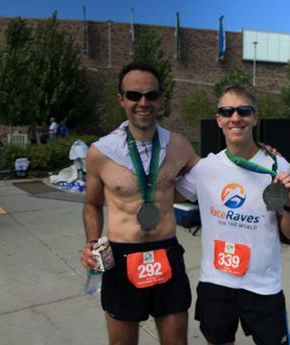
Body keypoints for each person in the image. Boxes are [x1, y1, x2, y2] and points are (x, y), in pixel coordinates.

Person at [80, 62, 199, 345]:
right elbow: (92, 204)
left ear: (161, 99)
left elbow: (214, 176)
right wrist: (92, 244)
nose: (143, 102)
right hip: (119, 256)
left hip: (166, 251)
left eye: (151, 95)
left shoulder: (179, 145)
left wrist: (259, 154)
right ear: (121, 99)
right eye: (134, 95)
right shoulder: (101, 152)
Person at [175, 84, 290, 345]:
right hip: (216, 282)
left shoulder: (276, 166)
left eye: (244, 110)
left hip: (262, 285)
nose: (236, 118)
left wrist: (289, 205)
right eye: (227, 111)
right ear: (218, 119)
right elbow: (165, 194)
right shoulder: (206, 168)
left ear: (255, 117)